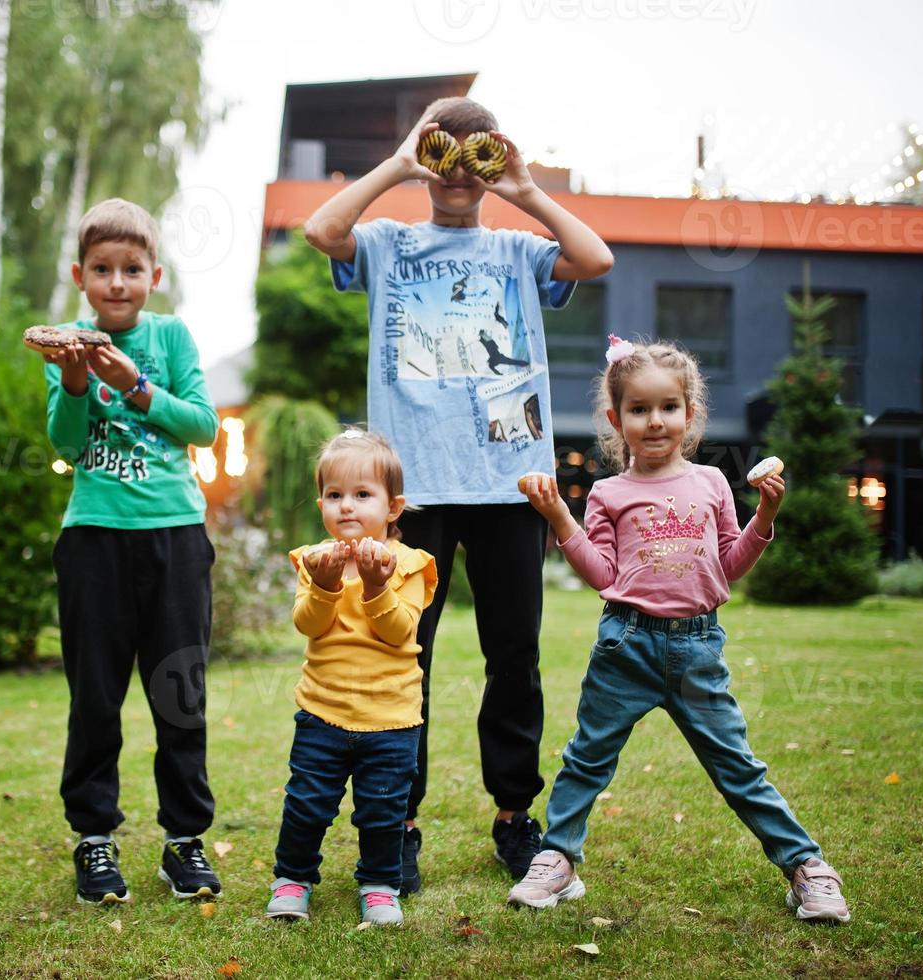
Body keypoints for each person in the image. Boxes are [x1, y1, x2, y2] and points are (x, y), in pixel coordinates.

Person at [304, 95, 615, 891]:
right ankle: (394, 823)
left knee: (512, 658)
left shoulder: (515, 250)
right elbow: (320, 231)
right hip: (415, 489)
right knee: (404, 653)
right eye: (443, 154)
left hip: (512, 483)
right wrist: (401, 161)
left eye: (470, 155)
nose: (454, 172)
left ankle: (515, 816)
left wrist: (523, 186)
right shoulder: (387, 242)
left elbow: (595, 258)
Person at [509, 335, 850, 923]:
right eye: (638, 410)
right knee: (586, 759)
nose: (655, 420)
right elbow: (603, 575)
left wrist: (764, 514)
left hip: (697, 649)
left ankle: (806, 867)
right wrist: (561, 519)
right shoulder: (608, 493)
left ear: (690, 415)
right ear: (617, 420)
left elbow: (729, 565)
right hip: (626, 644)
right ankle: (557, 859)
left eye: (668, 407)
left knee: (737, 766)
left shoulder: (714, 485)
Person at [40, 198, 222, 905]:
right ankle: (95, 842)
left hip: (175, 537)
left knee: (179, 695)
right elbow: (65, 441)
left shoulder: (172, 338)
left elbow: (201, 426)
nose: (117, 282)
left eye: (132, 269)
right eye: (103, 270)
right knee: (95, 698)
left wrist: (135, 387)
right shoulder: (62, 346)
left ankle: (184, 840)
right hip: (93, 538)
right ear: (80, 275)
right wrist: (81, 379)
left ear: (154, 274)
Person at [264, 430, 438, 926]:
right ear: (321, 502)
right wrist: (324, 586)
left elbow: (400, 630)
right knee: (307, 805)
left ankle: (380, 884)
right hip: (323, 712)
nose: (347, 506)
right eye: (335, 495)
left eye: (363, 495)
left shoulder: (410, 564)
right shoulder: (314, 560)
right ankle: (292, 878)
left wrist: (377, 586)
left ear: (393, 507)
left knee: (383, 812)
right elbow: (308, 624)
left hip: (391, 718)